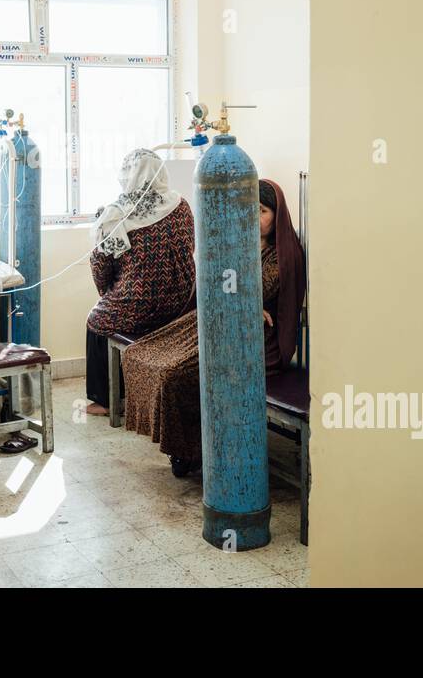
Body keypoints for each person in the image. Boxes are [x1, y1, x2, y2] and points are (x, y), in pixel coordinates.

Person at [120, 178, 306, 476]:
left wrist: (245, 302)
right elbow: (212, 279)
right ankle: (184, 444)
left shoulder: (283, 254)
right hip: (219, 320)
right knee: (139, 354)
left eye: (261, 211)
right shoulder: (239, 242)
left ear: (277, 214)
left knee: (174, 373)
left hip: (252, 338)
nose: (253, 217)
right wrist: (241, 300)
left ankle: (191, 451)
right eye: (248, 209)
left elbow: (254, 288)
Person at [84, 148, 196, 416]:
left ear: (127, 175)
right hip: (182, 301)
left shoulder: (115, 216)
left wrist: (107, 294)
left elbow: (101, 267)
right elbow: (190, 247)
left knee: (97, 321)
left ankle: (106, 400)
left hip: (139, 307)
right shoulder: (181, 205)